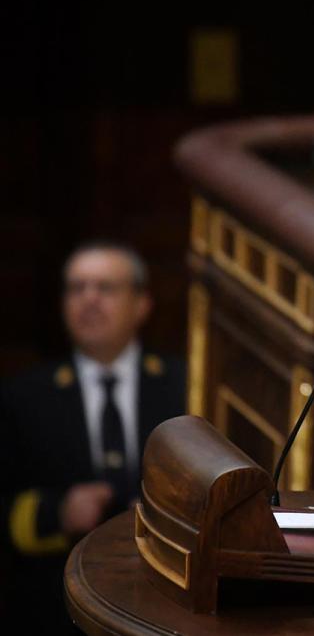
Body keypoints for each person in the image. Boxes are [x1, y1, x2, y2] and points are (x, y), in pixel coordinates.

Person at [0, 242, 185, 632]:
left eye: (105, 288)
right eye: (76, 288)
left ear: (141, 304)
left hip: (162, 605)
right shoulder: (24, 396)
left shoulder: (184, 386)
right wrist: (58, 512)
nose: (89, 299)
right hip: (55, 606)